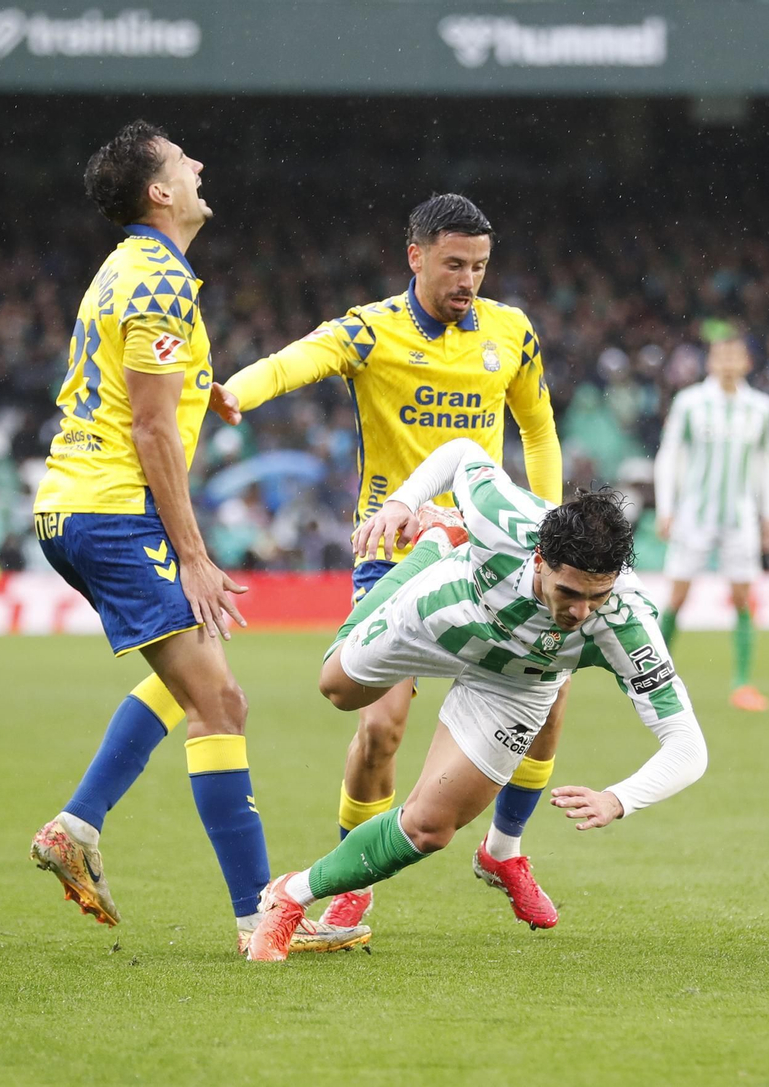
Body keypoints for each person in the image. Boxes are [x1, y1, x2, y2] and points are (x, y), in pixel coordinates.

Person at [26, 120, 366, 955]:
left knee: (193, 681)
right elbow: (149, 429)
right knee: (222, 701)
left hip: (77, 505)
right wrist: (194, 555)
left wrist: (205, 387)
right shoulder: (157, 283)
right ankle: (261, 917)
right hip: (112, 510)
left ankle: (78, 823)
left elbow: (143, 391)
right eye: (184, 162)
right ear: (160, 192)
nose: (201, 165)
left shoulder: (132, 271)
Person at [222, 194, 566, 930]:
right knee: (379, 727)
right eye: (453, 264)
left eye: (479, 264)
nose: (468, 278)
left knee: (549, 704)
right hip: (396, 559)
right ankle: (355, 877)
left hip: (491, 554)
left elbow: (537, 429)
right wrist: (235, 393)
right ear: (415, 256)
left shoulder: (511, 333)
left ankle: (505, 850)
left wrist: (549, 523)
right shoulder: (370, 330)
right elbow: (296, 361)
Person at [243, 439, 708, 961]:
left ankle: (290, 896)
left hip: (515, 682)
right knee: (337, 689)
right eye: (568, 593)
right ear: (539, 558)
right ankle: (436, 544)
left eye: (595, 597)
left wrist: (620, 799)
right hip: (440, 618)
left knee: (429, 828)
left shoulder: (628, 621)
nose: (581, 612)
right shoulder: (502, 519)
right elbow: (463, 453)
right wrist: (402, 501)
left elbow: (688, 745)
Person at [653, 332, 769, 711]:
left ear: (747, 362)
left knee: (742, 597)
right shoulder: (690, 403)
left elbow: (766, 463)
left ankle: (742, 684)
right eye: (721, 357)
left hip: (739, 517)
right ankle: (653, 677)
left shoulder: (761, 408)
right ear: (711, 362)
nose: (727, 363)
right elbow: (670, 455)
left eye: (734, 357)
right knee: (678, 594)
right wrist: (666, 507)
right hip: (695, 513)